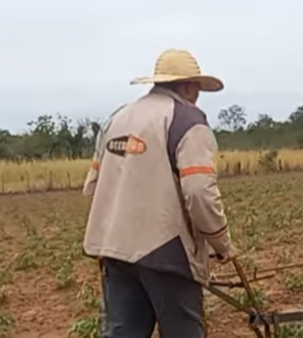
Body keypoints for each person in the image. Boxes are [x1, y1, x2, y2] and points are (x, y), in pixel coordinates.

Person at [81, 48, 235, 338]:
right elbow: (200, 193)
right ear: (188, 85)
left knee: (124, 332)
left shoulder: (117, 120)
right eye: (197, 89)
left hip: (115, 249)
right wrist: (221, 243)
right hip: (167, 252)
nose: (197, 95)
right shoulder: (188, 121)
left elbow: (93, 184)